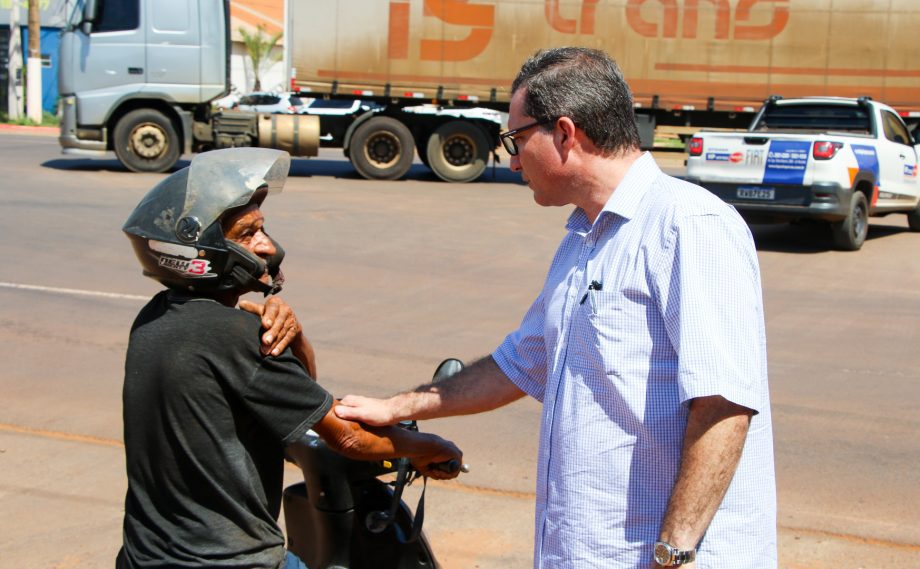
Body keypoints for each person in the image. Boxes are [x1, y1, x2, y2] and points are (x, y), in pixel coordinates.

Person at [335, 48, 776, 568]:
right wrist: (395, 408)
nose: (513, 160)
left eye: (516, 140)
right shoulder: (581, 238)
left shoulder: (689, 226)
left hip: (661, 557)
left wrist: (672, 554)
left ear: (566, 133)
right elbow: (520, 363)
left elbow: (724, 405)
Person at [117, 147, 462, 569]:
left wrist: (294, 335)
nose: (265, 245)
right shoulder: (234, 334)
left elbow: (296, 404)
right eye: (246, 234)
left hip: (143, 558)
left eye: (262, 229)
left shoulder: (155, 318)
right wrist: (432, 447)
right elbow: (348, 438)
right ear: (201, 252)